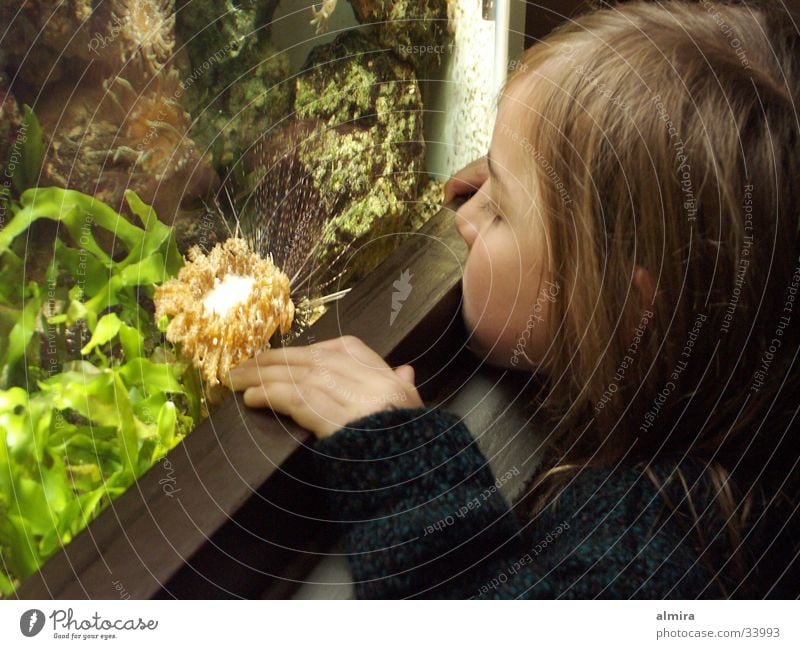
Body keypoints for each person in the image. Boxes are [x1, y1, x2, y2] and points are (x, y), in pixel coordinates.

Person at [228, 0, 800, 598]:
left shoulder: (652, 557)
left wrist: (408, 474)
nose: (463, 218)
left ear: (620, 309)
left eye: (498, 210)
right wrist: (530, 179)